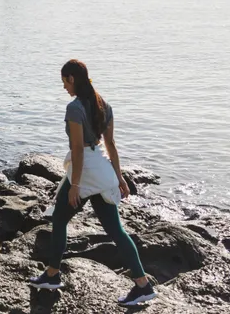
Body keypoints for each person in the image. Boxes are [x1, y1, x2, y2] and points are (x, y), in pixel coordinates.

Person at [29, 59, 157, 307]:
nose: (64, 87)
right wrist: (118, 178)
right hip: (102, 168)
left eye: (64, 81)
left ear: (72, 78)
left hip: (85, 169)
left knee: (58, 219)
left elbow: (77, 149)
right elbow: (110, 146)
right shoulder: (104, 104)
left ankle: (53, 275)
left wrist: (75, 185)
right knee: (115, 230)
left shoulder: (74, 108)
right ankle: (143, 285)